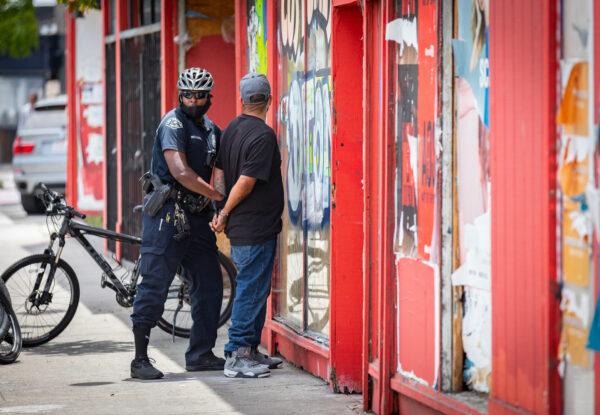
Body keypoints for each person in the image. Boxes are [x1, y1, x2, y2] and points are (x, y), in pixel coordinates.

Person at [130, 67, 226, 380]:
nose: (194, 100)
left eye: (200, 95)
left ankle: (200, 354)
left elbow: (221, 168)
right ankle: (140, 360)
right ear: (179, 94)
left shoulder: (213, 130)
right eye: (188, 94)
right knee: (155, 285)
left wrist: (219, 202)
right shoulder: (172, 123)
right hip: (167, 216)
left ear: (210, 96)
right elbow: (180, 171)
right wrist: (213, 193)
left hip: (197, 219)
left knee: (210, 285)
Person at [212, 73, 284, 378]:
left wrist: (218, 207)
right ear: (268, 100)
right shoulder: (264, 136)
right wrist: (225, 211)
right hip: (253, 229)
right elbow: (246, 181)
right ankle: (238, 354)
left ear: (243, 100)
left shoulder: (231, 130)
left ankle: (251, 350)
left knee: (255, 288)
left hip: (245, 228)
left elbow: (218, 173)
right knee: (250, 290)